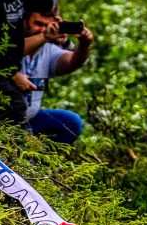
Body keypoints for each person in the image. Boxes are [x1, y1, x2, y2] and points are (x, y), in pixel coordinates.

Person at [13, 10, 93, 144]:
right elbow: (4, 57)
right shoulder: (12, 44)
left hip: (31, 117)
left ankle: (39, 152)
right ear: (25, 22)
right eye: (38, 24)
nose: (43, 29)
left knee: (72, 122)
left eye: (48, 26)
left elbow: (71, 62)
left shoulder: (48, 49)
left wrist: (84, 45)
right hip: (4, 116)